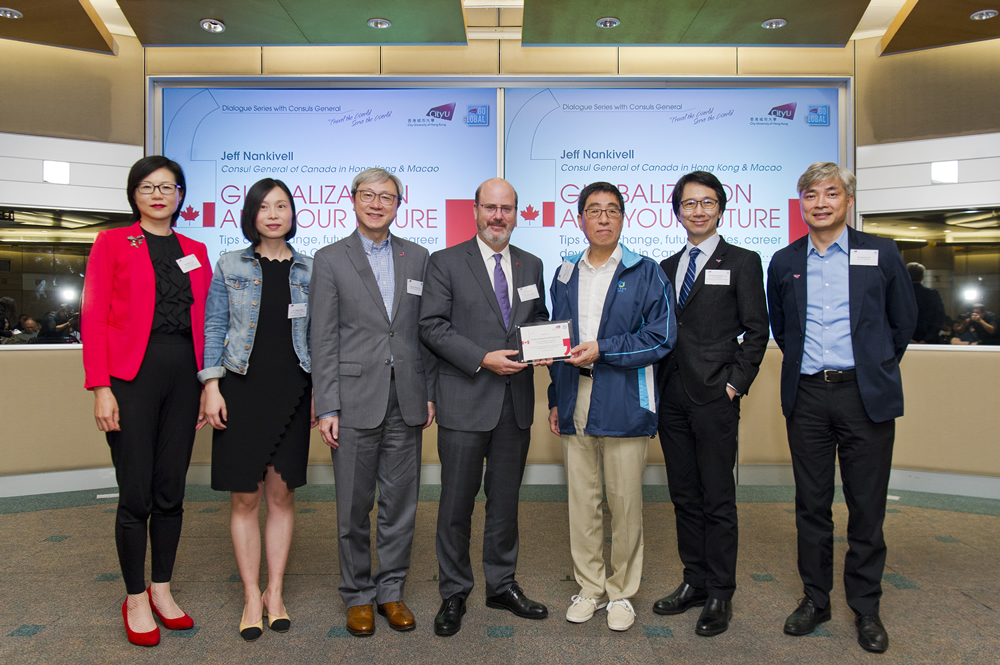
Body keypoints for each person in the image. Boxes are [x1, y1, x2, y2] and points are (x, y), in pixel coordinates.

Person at [766, 162, 916, 654]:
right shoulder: (785, 259)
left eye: (831, 193)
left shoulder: (881, 252)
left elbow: (902, 322)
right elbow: (784, 330)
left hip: (864, 396)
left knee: (865, 508)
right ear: (801, 204)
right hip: (808, 395)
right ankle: (815, 600)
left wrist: (872, 366)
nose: (821, 202)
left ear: (848, 201)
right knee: (811, 506)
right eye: (811, 195)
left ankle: (866, 608)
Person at [81, 156, 212, 647]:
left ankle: (161, 588)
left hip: (185, 375)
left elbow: (204, 322)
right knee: (135, 492)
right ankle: (134, 596)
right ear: (134, 194)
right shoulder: (113, 241)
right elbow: (93, 317)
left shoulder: (196, 249)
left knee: (170, 491)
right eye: (148, 187)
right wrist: (100, 387)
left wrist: (206, 384)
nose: (158, 195)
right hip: (129, 377)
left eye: (168, 187)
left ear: (181, 195)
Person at [419, 177, 550, 636]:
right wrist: (482, 358)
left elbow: (539, 321)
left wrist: (548, 342)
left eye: (507, 209)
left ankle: (501, 584)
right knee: (456, 504)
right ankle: (453, 590)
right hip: (464, 400)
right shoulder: (445, 262)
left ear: (517, 213)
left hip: (515, 405)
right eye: (490, 208)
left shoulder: (531, 264)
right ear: (475, 210)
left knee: (505, 502)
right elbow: (431, 327)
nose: (498, 216)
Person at [310, 168, 437, 637]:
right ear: (353, 200)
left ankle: (391, 591)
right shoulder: (330, 259)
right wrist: (327, 406)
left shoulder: (418, 257)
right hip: (353, 400)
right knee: (352, 508)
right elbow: (321, 338)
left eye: (387, 196)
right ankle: (358, 595)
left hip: (406, 399)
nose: (377, 203)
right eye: (369, 195)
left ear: (400, 204)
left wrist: (427, 394)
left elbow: (426, 334)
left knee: (400, 506)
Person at [546, 181, 675, 632]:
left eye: (612, 211)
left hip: (624, 398)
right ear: (580, 219)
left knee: (624, 502)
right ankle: (590, 587)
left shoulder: (648, 272)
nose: (603, 218)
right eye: (594, 211)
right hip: (574, 396)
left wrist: (603, 348)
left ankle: (621, 593)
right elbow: (556, 339)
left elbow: (660, 337)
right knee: (582, 500)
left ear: (623, 218)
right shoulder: (564, 273)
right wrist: (553, 398)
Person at [653, 171, 769, 636]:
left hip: (715, 399)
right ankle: (694, 582)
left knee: (718, 498)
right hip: (672, 399)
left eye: (706, 202)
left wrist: (735, 385)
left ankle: (721, 592)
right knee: (683, 496)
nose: (697, 210)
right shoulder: (665, 267)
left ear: (721, 208)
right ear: (677, 211)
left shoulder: (742, 261)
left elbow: (756, 331)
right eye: (688, 203)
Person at [200, 178, 315, 642]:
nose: (273, 214)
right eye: (264, 206)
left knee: (282, 496)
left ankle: (276, 592)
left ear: (292, 213)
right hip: (240, 388)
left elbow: (322, 336)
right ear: (250, 214)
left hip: (293, 389)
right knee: (245, 498)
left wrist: (322, 395)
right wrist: (211, 387)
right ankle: (251, 594)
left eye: (281, 206)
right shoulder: (230, 263)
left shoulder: (311, 268)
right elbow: (214, 327)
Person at [907, 262, 945, 344]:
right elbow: (939, 318)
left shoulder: (898, 295)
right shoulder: (933, 294)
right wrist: (927, 339)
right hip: (929, 342)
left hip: (902, 342)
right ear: (922, 278)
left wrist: (909, 340)